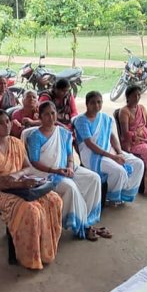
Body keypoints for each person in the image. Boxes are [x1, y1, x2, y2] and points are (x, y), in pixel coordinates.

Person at [0, 110, 63, 270]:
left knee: (54, 200)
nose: (7, 125)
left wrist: (17, 176)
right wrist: (17, 184)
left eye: (8, 121)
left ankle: (45, 250)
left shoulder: (16, 142)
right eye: (1, 123)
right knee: (31, 210)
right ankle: (30, 258)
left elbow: (27, 167)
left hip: (20, 185)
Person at [23, 101, 104, 240]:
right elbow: (34, 161)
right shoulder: (35, 136)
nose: (51, 117)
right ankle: (82, 226)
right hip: (46, 173)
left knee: (94, 178)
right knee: (70, 188)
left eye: (53, 113)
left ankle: (88, 219)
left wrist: (70, 168)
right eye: (46, 114)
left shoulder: (63, 133)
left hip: (65, 167)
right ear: (40, 117)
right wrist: (55, 170)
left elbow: (69, 155)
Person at [75, 91, 144, 206]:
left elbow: (111, 136)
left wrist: (119, 153)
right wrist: (113, 157)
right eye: (93, 103)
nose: (96, 105)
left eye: (99, 102)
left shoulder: (105, 118)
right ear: (87, 104)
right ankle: (111, 197)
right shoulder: (81, 120)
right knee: (119, 171)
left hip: (109, 150)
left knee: (138, 163)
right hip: (92, 155)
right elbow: (90, 144)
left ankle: (124, 192)